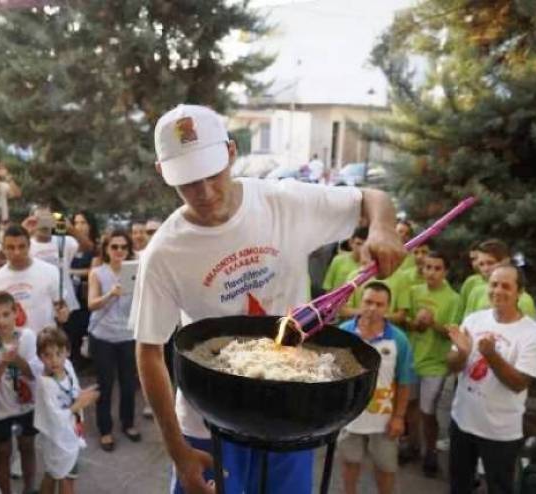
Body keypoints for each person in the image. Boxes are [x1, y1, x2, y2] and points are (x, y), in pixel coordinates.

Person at [134, 104, 406, 494]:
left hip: (290, 413)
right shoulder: (165, 252)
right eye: (189, 182)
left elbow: (371, 198)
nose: (205, 192)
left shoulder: (283, 202)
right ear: (164, 173)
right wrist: (177, 450)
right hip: (208, 420)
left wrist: (382, 227)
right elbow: (148, 352)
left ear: (230, 152)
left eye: (213, 174)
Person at [447, 265, 536, 494]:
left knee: (499, 487)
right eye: (493, 284)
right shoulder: (474, 320)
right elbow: (451, 365)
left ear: (519, 292)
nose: (497, 291)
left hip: (499, 431)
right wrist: (461, 353)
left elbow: (519, 383)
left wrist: (491, 355)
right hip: (462, 420)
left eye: (506, 286)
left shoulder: (533, 334)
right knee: (458, 484)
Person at [338, 282, 414, 494]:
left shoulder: (398, 339)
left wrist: (399, 417)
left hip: (385, 419)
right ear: (360, 302)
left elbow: (404, 381)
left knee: (386, 468)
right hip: (350, 416)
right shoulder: (344, 333)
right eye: (368, 301)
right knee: (350, 463)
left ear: (388, 307)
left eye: (379, 304)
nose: (373, 308)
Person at [403, 251, 461, 474]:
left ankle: (431, 452)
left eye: (437, 268)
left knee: (428, 411)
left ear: (445, 271)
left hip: (435, 363)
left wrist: (433, 323)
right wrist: (415, 323)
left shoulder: (453, 298)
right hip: (412, 358)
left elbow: (452, 332)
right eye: (428, 267)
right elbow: (406, 322)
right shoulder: (415, 291)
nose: (432, 272)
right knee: (410, 407)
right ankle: (412, 445)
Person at [0, 291, 38, 494]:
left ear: (15, 313)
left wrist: (16, 359)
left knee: (27, 446)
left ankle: (29, 488)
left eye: (6, 314)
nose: (1, 321)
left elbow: (32, 374)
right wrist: (4, 362)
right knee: (2, 451)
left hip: (26, 406)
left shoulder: (28, 337)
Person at [88, 231, 140, 451]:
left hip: (128, 334)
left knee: (129, 384)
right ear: (106, 249)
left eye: (123, 247)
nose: (119, 251)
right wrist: (111, 294)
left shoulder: (135, 271)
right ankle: (105, 429)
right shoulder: (98, 273)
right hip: (103, 335)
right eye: (114, 247)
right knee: (105, 384)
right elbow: (91, 304)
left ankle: (127, 423)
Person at [34, 327, 99, 494]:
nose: (54, 360)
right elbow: (55, 417)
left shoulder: (68, 367)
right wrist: (79, 404)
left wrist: (83, 395)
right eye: (47, 355)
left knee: (54, 474)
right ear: (40, 357)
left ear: (67, 352)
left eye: (58, 353)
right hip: (57, 441)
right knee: (66, 479)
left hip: (71, 433)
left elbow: (73, 392)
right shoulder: (45, 384)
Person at [0, 224, 68, 334]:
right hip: (13, 345)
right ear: (3, 249)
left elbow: (61, 304)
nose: (17, 252)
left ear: (29, 246)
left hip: (44, 343)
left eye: (21, 246)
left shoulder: (50, 271)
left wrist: (64, 313)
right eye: (11, 247)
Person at [462, 239, 536, 319]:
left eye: (490, 263)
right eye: (481, 264)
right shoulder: (476, 292)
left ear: (506, 261)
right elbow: (467, 325)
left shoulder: (524, 300)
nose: (485, 269)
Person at [29, 207, 81, 317]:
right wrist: (25, 229)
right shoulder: (25, 246)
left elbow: (88, 247)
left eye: (47, 218)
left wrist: (70, 228)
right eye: (40, 219)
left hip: (67, 306)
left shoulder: (65, 241)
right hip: (40, 308)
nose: (44, 223)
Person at [67, 210, 100, 364]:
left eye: (83, 223)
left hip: (87, 296)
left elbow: (94, 270)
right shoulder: (69, 245)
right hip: (71, 296)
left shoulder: (95, 246)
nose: (79, 226)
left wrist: (70, 271)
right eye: (76, 223)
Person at [322, 226, 367, 294]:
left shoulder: (370, 267)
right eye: (358, 244)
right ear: (351, 242)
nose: (361, 249)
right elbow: (328, 288)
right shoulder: (338, 260)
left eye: (365, 245)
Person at [459, 241, 484, 310]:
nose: (475, 263)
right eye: (473, 259)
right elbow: (462, 309)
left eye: (477, 258)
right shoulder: (470, 282)